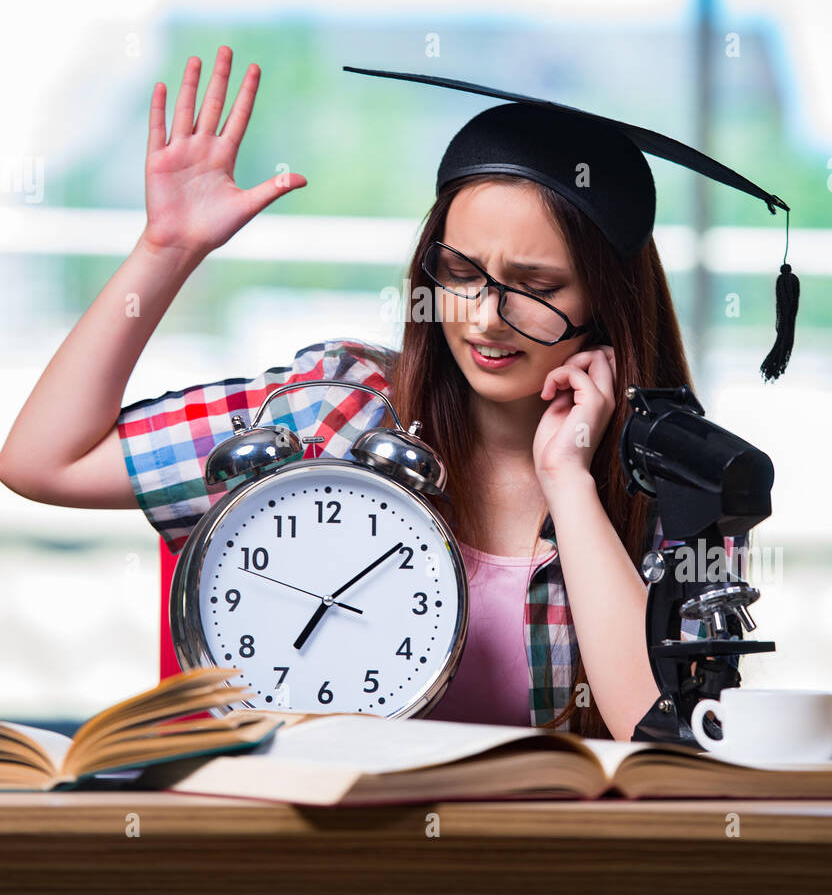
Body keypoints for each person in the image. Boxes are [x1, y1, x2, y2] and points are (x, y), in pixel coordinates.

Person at [0, 45, 762, 742]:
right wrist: (168, 249)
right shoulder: (339, 407)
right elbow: (43, 462)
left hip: (545, 873)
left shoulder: (681, 481)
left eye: (534, 287)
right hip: (327, 863)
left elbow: (658, 738)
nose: (483, 318)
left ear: (607, 301)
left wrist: (569, 481)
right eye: (459, 272)